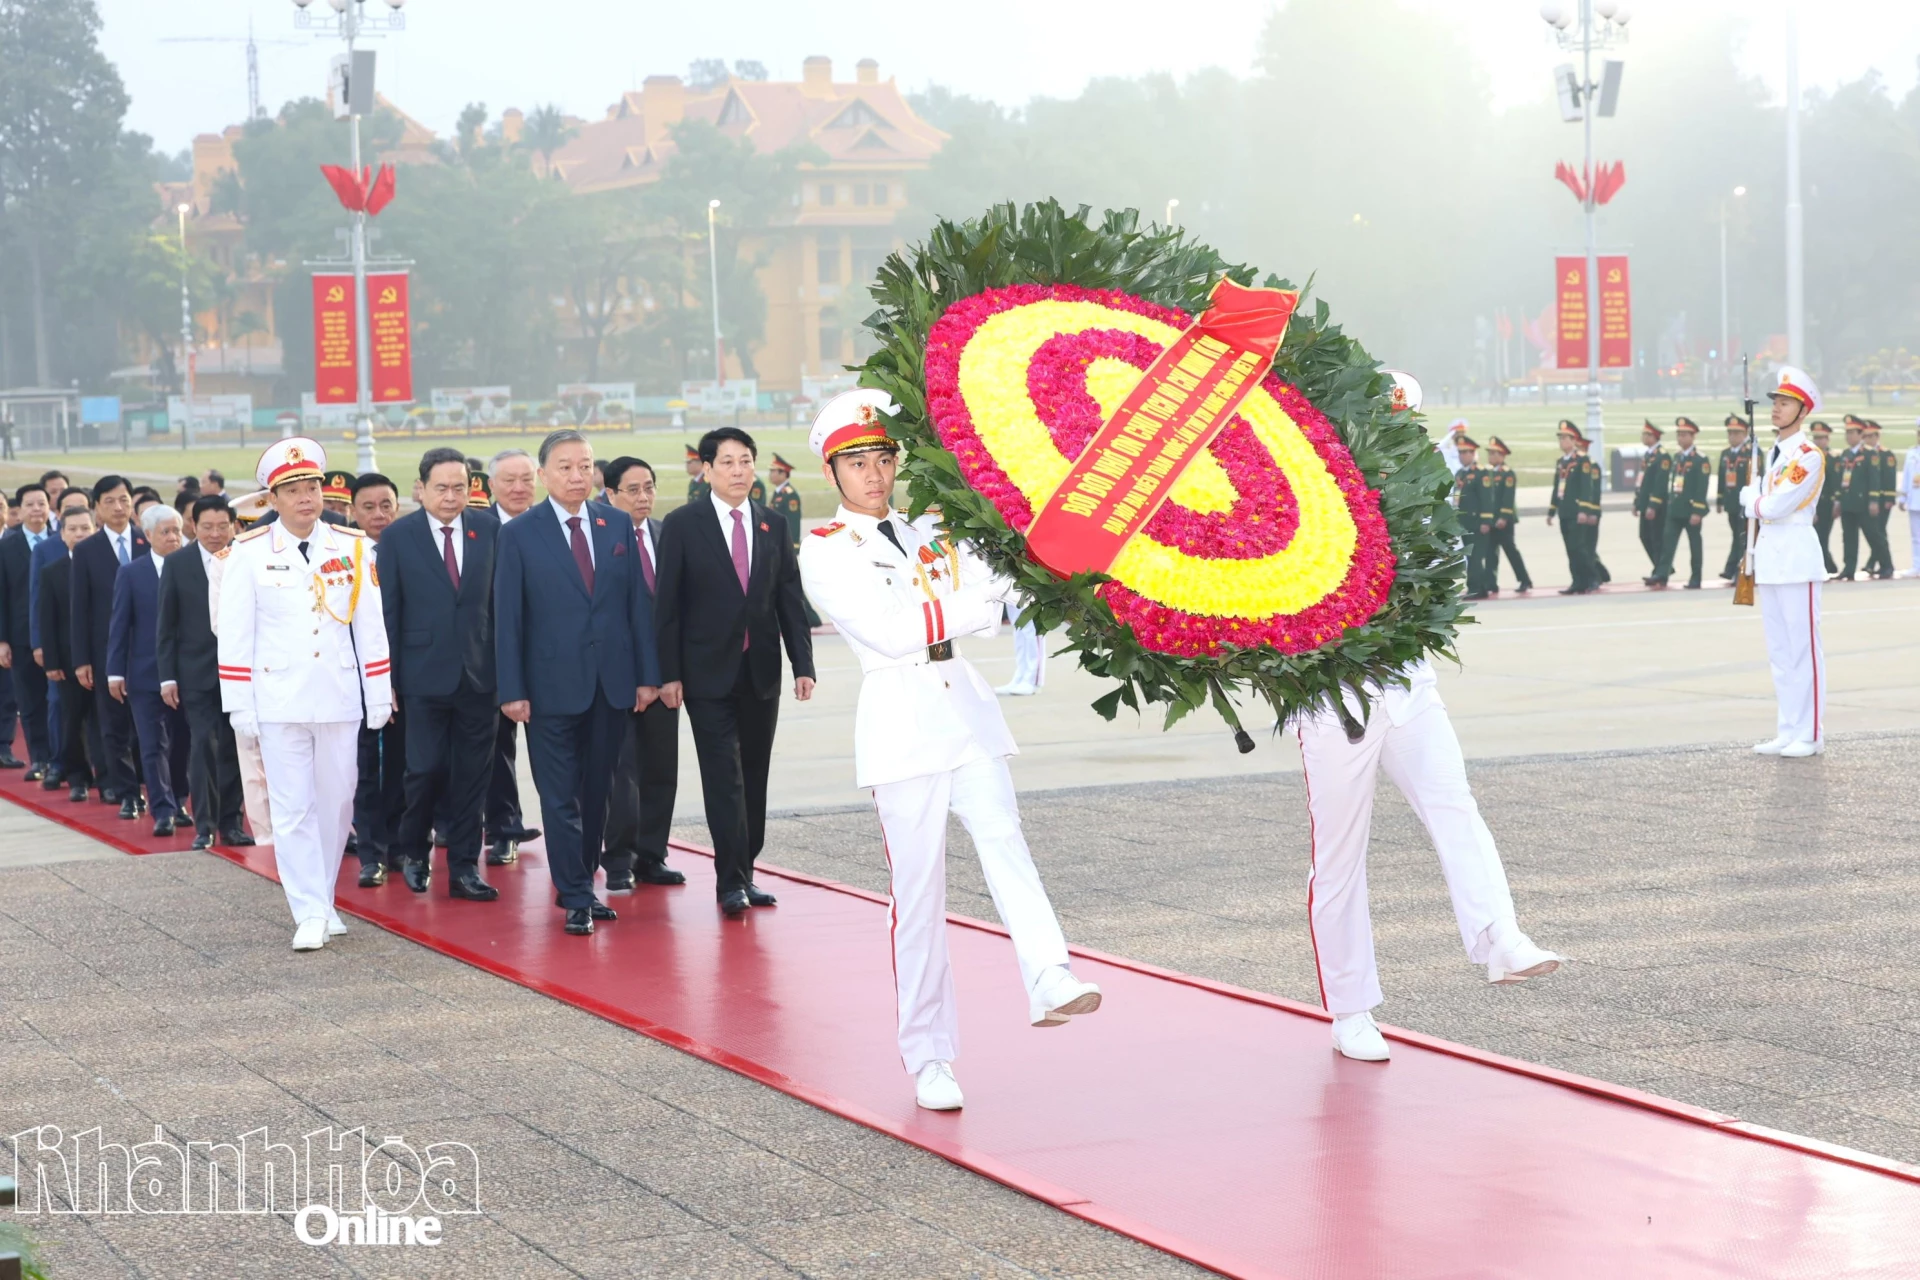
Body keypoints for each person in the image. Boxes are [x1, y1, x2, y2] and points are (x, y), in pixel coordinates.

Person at [797, 388, 1102, 1111]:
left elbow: (998, 584)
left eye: (883, 458)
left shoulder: (933, 526)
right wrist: (978, 605)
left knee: (1005, 839)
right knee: (919, 894)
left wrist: (983, 596)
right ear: (832, 472)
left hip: (964, 706)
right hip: (901, 719)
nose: (875, 474)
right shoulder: (825, 549)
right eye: (858, 462)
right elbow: (894, 631)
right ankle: (929, 1054)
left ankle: (1049, 973)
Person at [1294, 657, 1563, 1062]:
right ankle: (1350, 1009)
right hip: (1331, 707)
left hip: (1409, 689)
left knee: (1455, 808)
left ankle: (1502, 936)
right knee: (1339, 855)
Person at [218, 437, 391, 951]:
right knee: (293, 808)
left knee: (338, 804)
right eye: (292, 490)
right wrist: (239, 703)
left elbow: (370, 626)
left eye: (312, 486)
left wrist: (378, 692)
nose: (305, 498)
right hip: (278, 697)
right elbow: (235, 634)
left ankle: (323, 898)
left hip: (338, 694)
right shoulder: (247, 554)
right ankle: (309, 911)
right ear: (272, 499)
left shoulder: (354, 546)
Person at [494, 429, 660, 937]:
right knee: (559, 795)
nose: (577, 476)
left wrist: (646, 677)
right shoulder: (520, 533)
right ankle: (575, 895)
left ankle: (584, 881)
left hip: (609, 685)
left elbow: (636, 607)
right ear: (545, 474)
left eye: (585, 466)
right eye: (565, 467)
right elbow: (508, 618)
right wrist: (511, 689)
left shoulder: (615, 524)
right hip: (547, 689)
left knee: (598, 794)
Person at [655, 426, 816, 916]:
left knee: (754, 775)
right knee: (722, 776)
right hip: (705, 675)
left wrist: (802, 665)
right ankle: (730, 881)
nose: (739, 470)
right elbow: (668, 607)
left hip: (761, 673)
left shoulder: (773, 524)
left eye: (745, 461)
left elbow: (789, 599)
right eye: (727, 462)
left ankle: (746, 870)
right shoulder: (683, 524)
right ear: (707, 470)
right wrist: (669, 673)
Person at [376, 448, 501, 901]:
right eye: (442, 488)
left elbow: (499, 605)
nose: (451, 496)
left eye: (460, 487)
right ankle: (413, 849)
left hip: (480, 676)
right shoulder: (397, 537)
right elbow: (388, 610)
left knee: (472, 776)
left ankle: (465, 867)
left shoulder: (489, 529)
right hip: (420, 676)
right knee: (423, 770)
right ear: (421, 489)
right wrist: (384, 679)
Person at [600, 456, 684, 889]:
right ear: (610, 494)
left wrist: (669, 675)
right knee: (620, 774)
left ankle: (651, 854)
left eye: (648, 487)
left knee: (660, 770)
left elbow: (676, 613)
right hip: (619, 681)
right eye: (632, 490)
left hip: (664, 681)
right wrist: (636, 678)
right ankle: (617, 859)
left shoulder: (663, 534)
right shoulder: (600, 540)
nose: (643, 497)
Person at [1741, 368, 1827, 759]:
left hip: (1796, 554)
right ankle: (1788, 729)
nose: (1776, 408)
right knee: (1779, 651)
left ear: (1802, 411)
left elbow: (1777, 505)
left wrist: (1751, 500)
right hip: (1772, 557)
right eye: (1774, 402)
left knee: (1803, 650)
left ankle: (1810, 734)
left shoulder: (1807, 456)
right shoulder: (1772, 455)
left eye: (1785, 403)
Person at [158, 495, 250, 851]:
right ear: (193, 526)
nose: (216, 534)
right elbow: (166, 625)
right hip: (195, 672)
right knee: (203, 746)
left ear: (234, 526)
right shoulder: (178, 564)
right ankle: (205, 826)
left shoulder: (245, 559)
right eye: (207, 527)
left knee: (234, 747)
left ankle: (232, 823)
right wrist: (168, 677)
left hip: (240, 671)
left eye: (223, 526)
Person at [107, 505, 191, 836]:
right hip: (143, 673)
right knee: (153, 744)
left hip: (186, 673)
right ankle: (162, 808)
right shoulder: (131, 573)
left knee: (182, 741)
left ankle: (180, 799)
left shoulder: (191, 568)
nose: (173, 538)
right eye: (166, 532)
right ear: (148, 536)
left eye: (177, 531)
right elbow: (119, 623)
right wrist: (115, 671)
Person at [70, 474, 150, 818]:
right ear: (97, 508)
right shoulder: (87, 549)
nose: (119, 508)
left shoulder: (150, 541)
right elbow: (79, 609)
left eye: (124, 500)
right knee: (114, 727)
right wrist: (82, 660)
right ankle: (127, 792)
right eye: (110, 502)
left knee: (150, 728)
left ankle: (161, 790)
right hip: (107, 654)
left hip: (149, 652)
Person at [346, 472, 407, 886]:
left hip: (407, 679)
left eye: (386, 505)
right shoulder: (341, 553)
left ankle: (402, 845)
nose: (379, 514)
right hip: (356, 679)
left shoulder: (411, 547)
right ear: (352, 511)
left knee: (407, 768)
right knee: (364, 768)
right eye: (368, 507)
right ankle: (372, 853)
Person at [483, 448, 541, 864]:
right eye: (508, 480)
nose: (518, 488)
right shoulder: (477, 529)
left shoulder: (553, 524)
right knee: (497, 748)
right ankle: (503, 827)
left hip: (552, 658)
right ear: (490, 486)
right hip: (494, 658)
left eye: (526, 479)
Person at [39, 506, 96, 802]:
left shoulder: (108, 566)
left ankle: (110, 778)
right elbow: (46, 619)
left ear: (94, 530)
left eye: (85, 528)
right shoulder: (53, 572)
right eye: (72, 529)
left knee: (106, 723)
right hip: (67, 660)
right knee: (73, 720)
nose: (79, 534)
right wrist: (52, 661)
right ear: (61, 535)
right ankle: (77, 777)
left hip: (103, 657)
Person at [0, 484, 54, 778]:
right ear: (18, 511)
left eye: (41, 503)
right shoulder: (7, 546)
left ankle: (64, 760)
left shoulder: (62, 541)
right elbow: (2, 596)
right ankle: (40, 760)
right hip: (21, 638)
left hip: (57, 636)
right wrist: (2, 640)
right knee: (31, 702)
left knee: (61, 704)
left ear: (49, 507)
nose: (36, 509)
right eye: (29, 504)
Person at [1653, 417, 1711, 590]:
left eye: (1684, 435)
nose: (1681, 439)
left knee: (1694, 545)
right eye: (1679, 435)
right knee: (1667, 543)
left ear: (1693, 437)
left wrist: (1697, 511)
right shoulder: (1677, 457)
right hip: (1675, 509)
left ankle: (1696, 577)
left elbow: (1702, 487)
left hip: (1691, 509)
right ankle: (1662, 574)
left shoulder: (1700, 460)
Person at [1548, 422, 1597, 594]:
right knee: (1570, 549)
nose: (1561, 441)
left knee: (1579, 548)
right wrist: (1551, 510)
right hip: (1565, 511)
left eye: (1564, 438)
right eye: (1560, 438)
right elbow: (1557, 487)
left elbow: (1586, 487)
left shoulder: (1582, 460)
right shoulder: (1561, 462)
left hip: (1577, 511)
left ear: (1573, 440)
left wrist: (1584, 510)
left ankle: (1591, 578)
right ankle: (1577, 581)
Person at [1479, 437, 1529, 593]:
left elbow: (1508, 498)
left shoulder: (1508, 474)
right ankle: (1490, 583)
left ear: (1502, 456)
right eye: (1490, 453)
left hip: (1504, 521)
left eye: (1494, 453)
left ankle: (1524, 580)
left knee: (1511, 551)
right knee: (1490, 553)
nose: (1491, 456)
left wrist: (1503, 517)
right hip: (1491, 519)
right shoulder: (1487, 473)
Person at [1452, 436, 1492, 600]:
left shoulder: (1481, 473)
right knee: (1471, 557)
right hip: (1464, 522)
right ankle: (1481, 588)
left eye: (1464, 453)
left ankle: (1474, 588)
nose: (1461, 456)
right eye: (1460, 452)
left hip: (1477, 523)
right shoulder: (1460, 473)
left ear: (1472, 453)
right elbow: (1457, 497)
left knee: (1475, 557)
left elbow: (1486, 499)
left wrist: (1486, 520)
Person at [1717, 415, 1756, 582]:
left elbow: (1756, 476)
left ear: (1744, 434)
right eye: (1730, 433)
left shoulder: (1751, 452)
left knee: (1742, 537)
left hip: (1745, 503)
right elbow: (1721, 478)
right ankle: (1733, 569)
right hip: (1731, 503)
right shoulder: (1726, 454)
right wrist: (1720, 499)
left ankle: (1735, 569)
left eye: (1736, 433)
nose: (1732, 436)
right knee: (1737, 536)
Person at [1633, 421, 1671, 583]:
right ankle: (1661, 568)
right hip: (1644, 503)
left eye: (1646, 435)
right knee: (1645, 536)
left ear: (1653, 436)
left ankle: (1661, 572)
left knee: (1657, 538)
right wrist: (1637, 502)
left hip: (1656, 506)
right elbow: (1641, 481)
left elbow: (1660, 484)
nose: (1643, 437)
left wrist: (1653, 505)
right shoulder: (1648, 455)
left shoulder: (1662, 456)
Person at [1835, 421, 1873, 580]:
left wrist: (1874, 500)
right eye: (1847, 433)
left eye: (1852, 433)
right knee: (1849, 537)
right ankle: (1849, 568)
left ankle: (1886, 564)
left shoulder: (1869, 453)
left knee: (1873, 535)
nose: (1849, 436)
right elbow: (1840, 479)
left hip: (1864, 502)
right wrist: (1838, 500)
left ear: (1860, 435)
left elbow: (1873, 478)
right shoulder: (1845, 454)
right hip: (1847, 502)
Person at [1862, 421, 1896, 578]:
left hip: (1883, 499)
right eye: (1864, 436)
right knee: (1875, 532)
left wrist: (1889, 497)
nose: (1866, 439)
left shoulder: (1886, 454)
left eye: (1869, 436)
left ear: (1877, 436)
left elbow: (1890, 478)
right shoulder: (1866, 454)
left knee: (1879, 532)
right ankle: (1875, 563)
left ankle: (1886, 566)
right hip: (1871, 499)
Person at [1809, 421, 1840, 576]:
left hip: (1827, 503)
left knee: (1822, 536)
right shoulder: (1809, 457)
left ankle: (1826, 566)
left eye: (1822, 438)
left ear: (1827, 439)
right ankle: (1829, 565)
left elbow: (1835, 482)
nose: (1818, 441)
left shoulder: (1833, 458)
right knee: (1815, 536)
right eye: (1816, 438)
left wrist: (1837, 501)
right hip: (1813, 503)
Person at [1899, 421, 1920, 577]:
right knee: (1916, 536)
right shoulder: (1912, 453)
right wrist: (1903, 496)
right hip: (1914, 499)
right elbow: (1907, 475)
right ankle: (1917, 566)